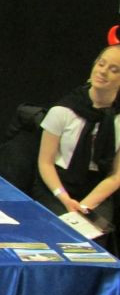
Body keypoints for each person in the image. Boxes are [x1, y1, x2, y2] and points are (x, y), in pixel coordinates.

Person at [32, 44, 120, 229]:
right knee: (58, 229)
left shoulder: (117, 119)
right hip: (58, 187)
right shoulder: (63, 111)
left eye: (114, 70)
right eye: (101, 64)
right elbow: (45, 162)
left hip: (96, 190)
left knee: (93, 234)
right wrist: (65, 198)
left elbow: (115, 175)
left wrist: (85, 206)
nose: (103, 72)